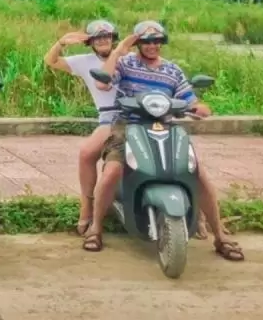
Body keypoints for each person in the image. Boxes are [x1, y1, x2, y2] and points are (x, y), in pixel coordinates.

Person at [82, 20, 245, 261]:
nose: (152, 46)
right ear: (138, 44)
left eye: (157, 41)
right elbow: (102, 81)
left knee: (197, 173)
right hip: (128, 125)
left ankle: (220, 235)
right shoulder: (126, 63)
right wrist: (118, 50)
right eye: (147, 41)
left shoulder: (172, 70)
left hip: (165, 125)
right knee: (113, 170)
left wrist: (199, 107)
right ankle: (96, 227)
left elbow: (190, 99)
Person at [43, 19, 122, 236]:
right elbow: (51, 61)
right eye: (98, 38)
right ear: (91, 42)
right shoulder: (84, 61)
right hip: (109, 115)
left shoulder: (127, 57)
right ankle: (87, 205)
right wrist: (61, 43)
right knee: (87, 152)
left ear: (114, 39)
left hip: (137, 113)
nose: (103, 41)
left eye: (107, 36)